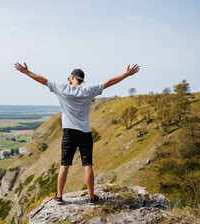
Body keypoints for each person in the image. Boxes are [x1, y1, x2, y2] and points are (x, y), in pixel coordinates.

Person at [14, 62, 140, 204]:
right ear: (81, 80)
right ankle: (91, 198)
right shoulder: (89, 90)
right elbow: (109, 82)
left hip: (69, 134)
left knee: (64, 165)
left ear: (72, 77)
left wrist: (27, 72)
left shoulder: (62, 88)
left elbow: (43, 80)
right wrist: (126, 74)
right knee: (88, 165)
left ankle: (59, 197)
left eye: (70, 77)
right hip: (85, 133)